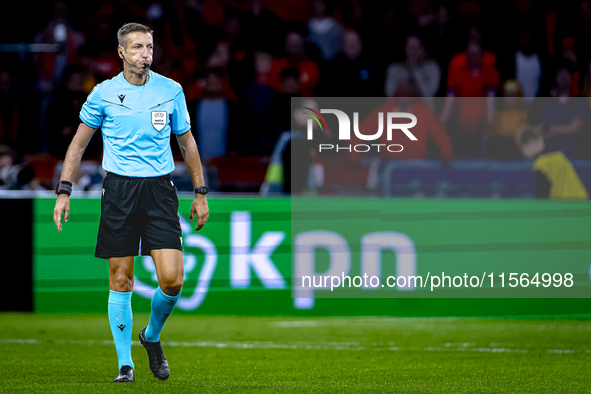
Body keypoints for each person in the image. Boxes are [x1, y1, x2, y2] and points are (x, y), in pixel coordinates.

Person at [52, 23, 209, 383]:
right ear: (121, 52)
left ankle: (150, 336)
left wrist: (200, 193)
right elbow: (78, 145)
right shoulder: (103, 93)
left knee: (172, 280)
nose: (145, 54)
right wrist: (64, 190)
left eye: (149, 46)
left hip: (159, 191)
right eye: (137, 47)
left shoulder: (171, 90)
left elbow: (187, 144)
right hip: (119, 191)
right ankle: (126, 365)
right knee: (120, 278)